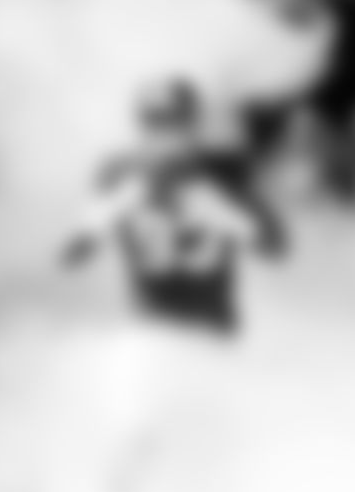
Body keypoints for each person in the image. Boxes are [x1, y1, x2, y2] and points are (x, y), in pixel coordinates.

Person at [63, 80, 287, 334]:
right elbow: (75, 252)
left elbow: (273, 246)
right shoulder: (120, 172)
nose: (166, 135)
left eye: (174, 122)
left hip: (211, 319)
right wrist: (119, 205)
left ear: (192, 125)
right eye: (155, 123)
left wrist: (217, 209)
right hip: (153, 323)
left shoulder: (224, 170)